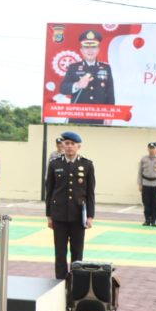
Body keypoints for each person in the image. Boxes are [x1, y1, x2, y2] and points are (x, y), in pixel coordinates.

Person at [45, 131, 95, 280]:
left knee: (77, 251)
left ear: (78, 146)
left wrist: (90, 216)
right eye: (66, 143)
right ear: (62, 145)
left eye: (72, 144)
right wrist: (49, 215)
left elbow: (90, 193)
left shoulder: (87, 164)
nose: (69, 147)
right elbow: (49, 191)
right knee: (60, 252)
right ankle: (60, 281)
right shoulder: (55, 164)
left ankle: (76, 281)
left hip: (78, 214)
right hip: (59, 214)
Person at [59, 30, 115, 124]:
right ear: (81, 50)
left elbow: (110, 94)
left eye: (93, 47)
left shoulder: (106, 68)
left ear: (98, 50)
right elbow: (63, 89)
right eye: (86, 47)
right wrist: (78, 84)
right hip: (77, 118)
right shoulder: (73, 68)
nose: (90, 50)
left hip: (99, 118)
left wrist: (109, 115)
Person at [138, 143, 156, 227]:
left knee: (155, 203)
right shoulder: (143, 159)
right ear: (148, 149)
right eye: (150, 148)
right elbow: (140, 172)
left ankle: (154, 220)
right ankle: (147, 220)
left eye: (153, 148)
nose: (151, 150)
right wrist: (140, 184)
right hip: (145, 184)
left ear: (155, 149)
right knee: (146, 203)